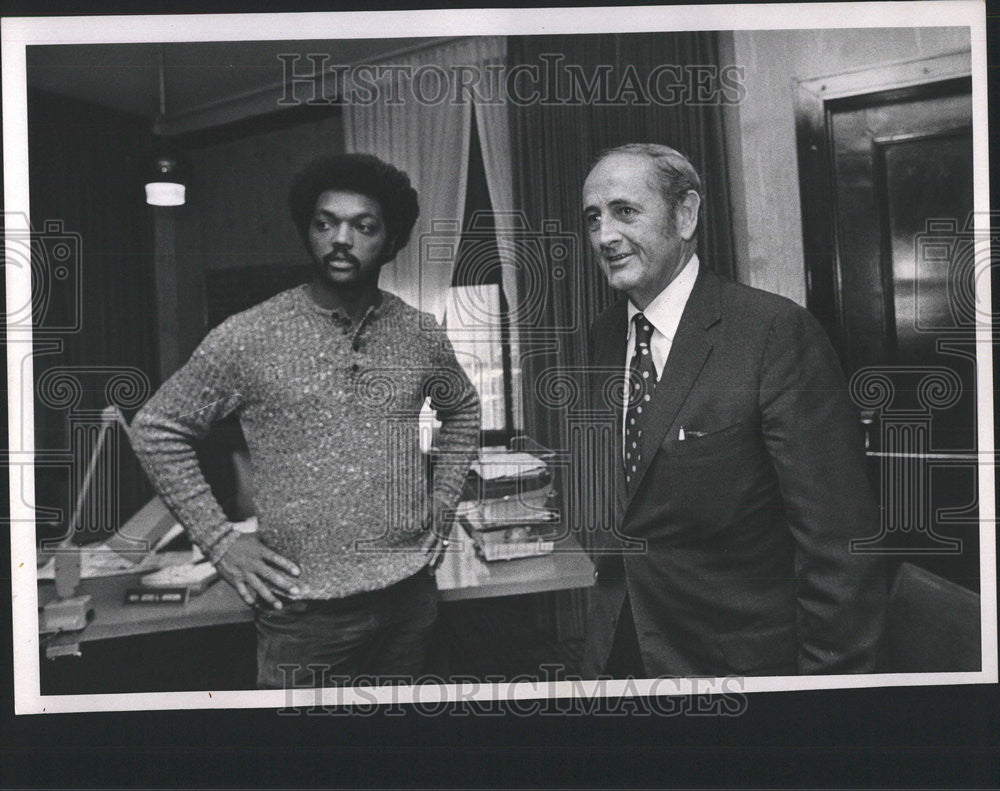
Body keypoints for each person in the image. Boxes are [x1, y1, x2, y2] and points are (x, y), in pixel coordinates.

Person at [131, 153, 480, 688]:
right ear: (308, 232)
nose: (341, 238)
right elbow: (158, 428)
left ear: (389, 241)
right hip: (304, 616)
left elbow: (463, 409)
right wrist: (221, 541)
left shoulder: (419, 332)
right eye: (325, 223)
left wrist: (442, 503)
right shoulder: (248, 336)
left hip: (409, 596)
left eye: (363, 226)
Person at [580, 143, 885, 678]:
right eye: (593, 218)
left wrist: (827, 701)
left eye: (625, 211)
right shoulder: (599, 340)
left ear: (686, 214)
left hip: (740, 671)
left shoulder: (773, 334)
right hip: (618, 657)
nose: (605, 235)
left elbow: (840, 551)